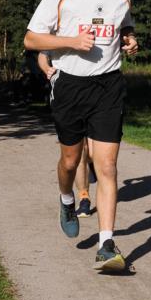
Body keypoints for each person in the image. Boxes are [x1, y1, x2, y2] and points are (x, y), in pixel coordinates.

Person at [24, 0, 138, 272]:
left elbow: (125, 28)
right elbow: (31, 39)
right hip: (70, 85)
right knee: (71, 162)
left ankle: (106, 243)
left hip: (108, 86)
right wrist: (71, 42)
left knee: (106, 166)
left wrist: (131, 41)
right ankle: (66, 199)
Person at [36, 49, 97, 216]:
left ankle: (92, 165)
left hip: (97, 94)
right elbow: (43, 54)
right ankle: (84, 197)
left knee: (92, 152)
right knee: (80, 150)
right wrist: (46, 68)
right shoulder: (59, 26)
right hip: (68, 95)